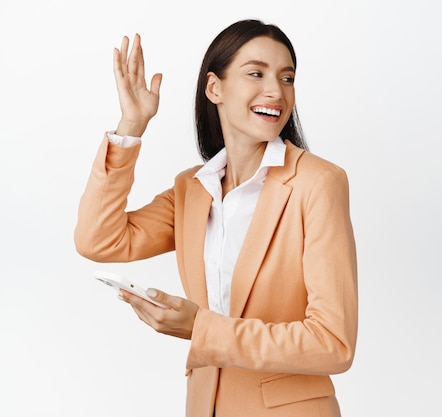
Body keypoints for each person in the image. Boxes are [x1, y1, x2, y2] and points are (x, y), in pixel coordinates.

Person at [74, 19, 358, 417]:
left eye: (287, 77)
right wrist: (131, 128)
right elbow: (98, 240)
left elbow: (333, 343)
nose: (276, 90)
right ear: (214, 88)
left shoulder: (318, 183)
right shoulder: (193, 189)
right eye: (256, 73)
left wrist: (201, 328)